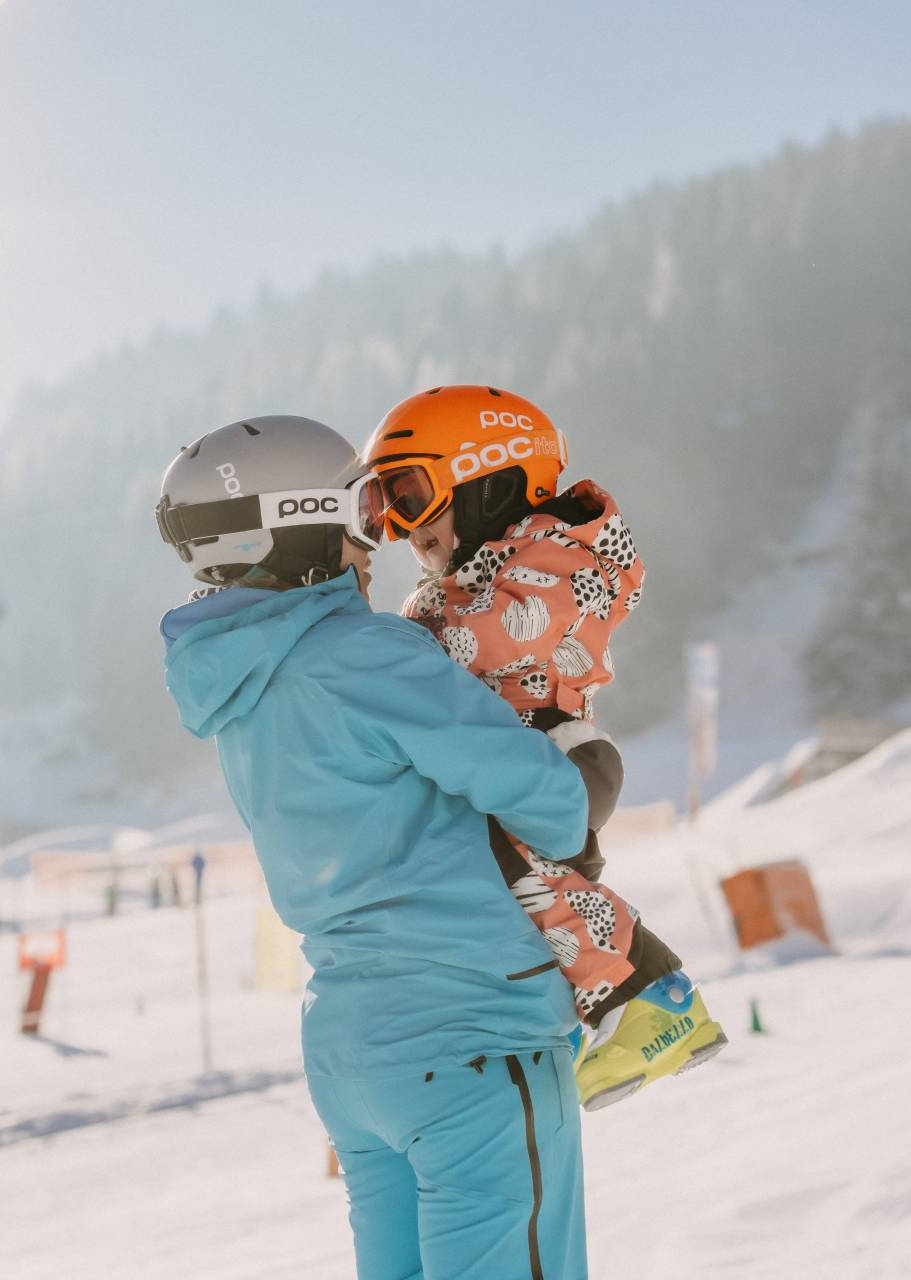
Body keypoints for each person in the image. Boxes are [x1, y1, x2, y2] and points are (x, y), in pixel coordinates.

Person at [158, 415, 591, 1279]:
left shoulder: (240, 686)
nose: (379, 539)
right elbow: (546, 801)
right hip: (469, 1033)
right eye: (363, 509)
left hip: (351, 1050)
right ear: (305, 525)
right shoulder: (364, 652)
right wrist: (587, 777)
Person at [356, 385, 725, 1111]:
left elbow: (488, 639)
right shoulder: (471, 580)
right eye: (380, 507)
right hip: (515, 753)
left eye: (409, 492)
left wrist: (380, 649)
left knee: (516, 869)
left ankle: (646, 1001)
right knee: (531, 888)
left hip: (555, 751)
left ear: (489, 471)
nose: (402, 527)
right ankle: (643, 999)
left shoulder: (558, 559)